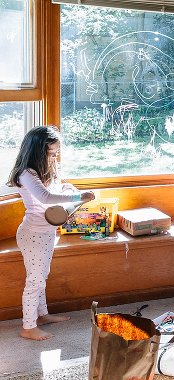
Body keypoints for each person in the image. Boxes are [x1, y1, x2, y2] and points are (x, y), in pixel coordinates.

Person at [7, 126, 95, 341]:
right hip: (34, 234)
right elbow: (45, 198)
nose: (54, 157)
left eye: (56, 153)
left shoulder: (44, 169)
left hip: (46, 233)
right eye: (51, 153)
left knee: (42, 277)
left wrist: (69, 191)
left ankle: (42, 314)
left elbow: (56, 190)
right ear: (37, 150)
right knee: (35, 280)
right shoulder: (26, 173)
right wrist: (78, 196)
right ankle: (28, 327)